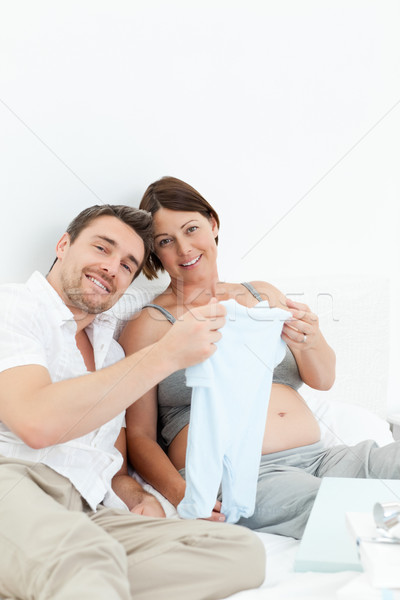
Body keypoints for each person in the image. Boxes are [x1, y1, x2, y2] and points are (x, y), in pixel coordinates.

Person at [0, 204, 266, 600]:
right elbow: (35, 423)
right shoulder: (15, 307)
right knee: (86, 560)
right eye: (102, 249)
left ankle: (45, 576)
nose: (112, 268)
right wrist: (166, 354)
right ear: (63, 245)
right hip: (13, 483)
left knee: (240, 552)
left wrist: (138, 497)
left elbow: (116, 465)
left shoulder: (112, 355)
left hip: (86, 510)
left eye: (128, 265)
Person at [120, 177, 400, 540]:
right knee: (348, 515)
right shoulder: (150, 325)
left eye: (192, 229)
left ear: (213, 224)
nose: (185, 248)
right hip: (243, 478)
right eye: (166, 241)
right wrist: (184, 494)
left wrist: (310, 340)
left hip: (325, 458)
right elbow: (139, 436)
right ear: (155, 252)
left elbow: (323, 379)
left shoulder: (262, 295)